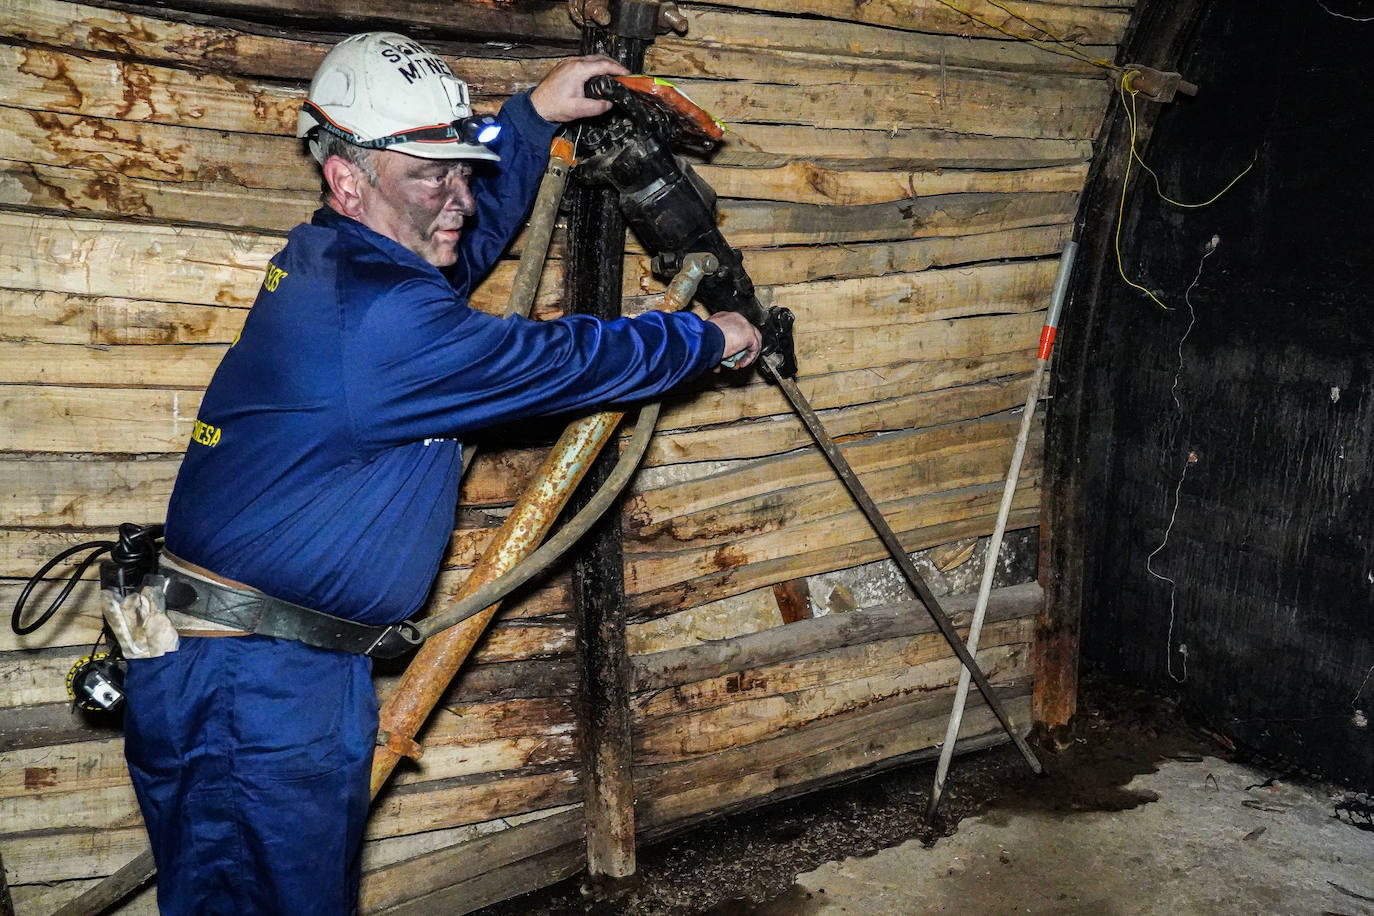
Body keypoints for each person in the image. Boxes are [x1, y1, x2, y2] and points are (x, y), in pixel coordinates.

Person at [121, 31, 762, 914]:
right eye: (432, 174)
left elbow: (455, 227)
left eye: (463, 170)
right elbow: (557, 360)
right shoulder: (381, 320)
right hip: (250, 691)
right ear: (346, 179)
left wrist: (532, 117)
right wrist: (707, 337)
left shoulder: (357, 261)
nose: (457, 198)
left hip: (276, 673)